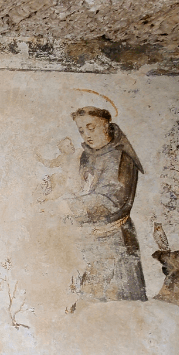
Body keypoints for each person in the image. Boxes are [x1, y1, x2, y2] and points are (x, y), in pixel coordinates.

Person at [67, 106, 146, 301]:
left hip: (115, 240)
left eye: (91, 127)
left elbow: (110, 199)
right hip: (88, 240)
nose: (86, 135)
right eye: (81, 130)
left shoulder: (119, 156)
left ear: (106, 125)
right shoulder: (87, 155)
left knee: (118, 304)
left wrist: (68, 207)